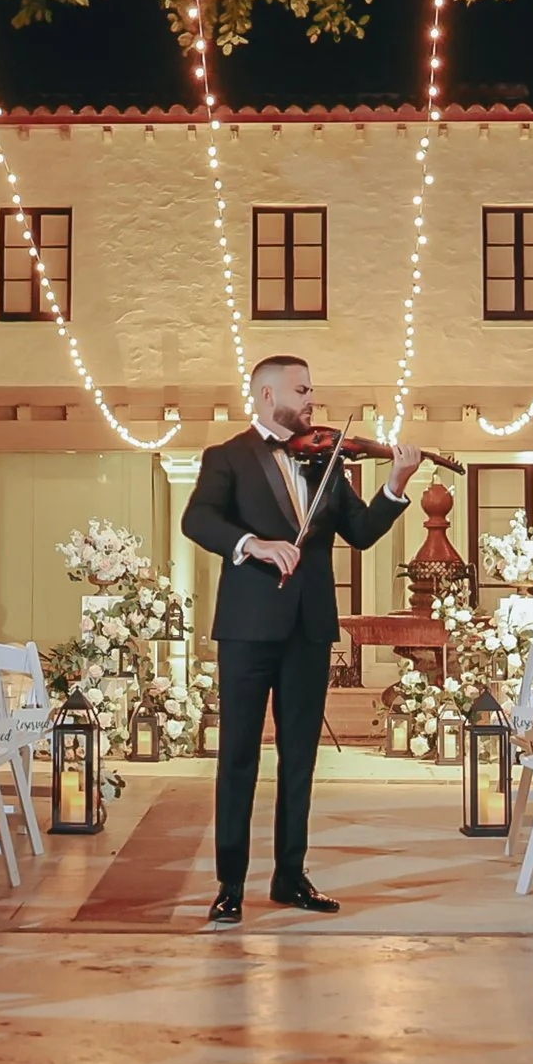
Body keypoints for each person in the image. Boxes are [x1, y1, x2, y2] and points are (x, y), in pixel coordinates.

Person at [180, 355, 424, 924]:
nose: (313, 398)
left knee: (301, 760)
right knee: (237, 757)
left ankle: (291, 877)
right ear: (267, 396)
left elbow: (361, 533)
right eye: (302, 389)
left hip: (309, 628)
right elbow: (198, 520)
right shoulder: (228, 458)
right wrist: (252, 544)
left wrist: (394, 484)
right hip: (246, 629)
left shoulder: (325, 462)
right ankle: (231, 884)